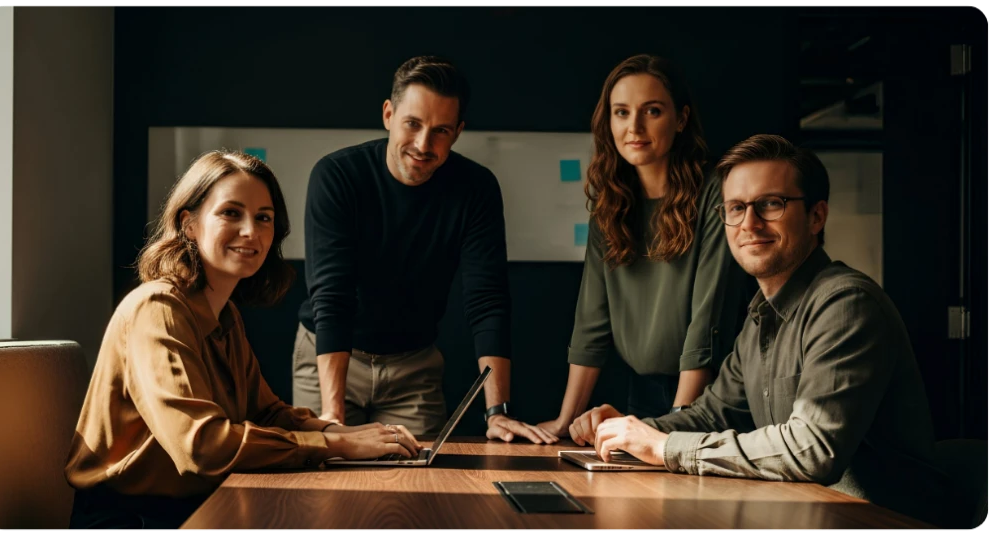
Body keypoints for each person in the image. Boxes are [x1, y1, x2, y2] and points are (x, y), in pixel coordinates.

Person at [569, 134, 952, 528]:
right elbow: (710, 416)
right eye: (736, 207)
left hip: (884, 523)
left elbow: (812, 448)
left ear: (817, 216)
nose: (749, 224)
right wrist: (630, 431)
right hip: (807, 518)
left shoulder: (846, 304)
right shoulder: (761, 317)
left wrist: (663, 446)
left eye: (771, 204)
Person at [64, 150, 421, 530]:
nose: (251, 231)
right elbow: (200, 445)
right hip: (130, 521)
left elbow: (266, 412)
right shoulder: (157, 308)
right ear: (189, 224)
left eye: (263, 218)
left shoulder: (225, 313)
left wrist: (344, 433)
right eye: (231, 213)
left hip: (198, 505)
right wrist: (338, 447)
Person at [292, 55, 555, 444]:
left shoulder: (476, 189)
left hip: (413, 370)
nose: (422, 144)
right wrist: (332, 414)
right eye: (412, 124)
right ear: (388, 114)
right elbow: (332, 297)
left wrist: (497, 412)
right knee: (324, 482)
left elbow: (488, 301)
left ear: (458, 132)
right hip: (329, 357)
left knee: (418, 486)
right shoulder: (337, 176)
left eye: (441, 131)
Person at [537, 54, 749, 437]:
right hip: (642, 394)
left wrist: (679, 422)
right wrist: (565, 421)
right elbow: (591, 322)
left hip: (708, 396)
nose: (633, 126)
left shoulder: (717, 192)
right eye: (621, 112)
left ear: (681, 119)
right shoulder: (611, 201)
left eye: (651, 111)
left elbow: (708, 322)